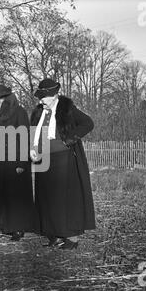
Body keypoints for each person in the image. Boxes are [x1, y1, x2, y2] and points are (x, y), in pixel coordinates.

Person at [30, 78, 95, 249]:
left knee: (65, 199)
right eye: (40, 96)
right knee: (47, 198)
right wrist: (32, 148)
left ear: (54, 95)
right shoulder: (39, 112)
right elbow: (34, 133)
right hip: (43, 159)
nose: (41, 100)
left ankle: (71, 237)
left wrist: (69, 140)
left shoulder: (67, 109)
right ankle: (54, 234)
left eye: (44, 97)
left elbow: (88, 123)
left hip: (63, 159)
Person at [0, 85, 39, 241]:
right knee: (2, 192)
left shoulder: (19, 112)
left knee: (16, 194)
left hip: (17, 159)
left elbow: (24, 137)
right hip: (2, 160)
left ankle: (18, 227)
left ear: (3, 99)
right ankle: (4, 225)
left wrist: (21, 163)